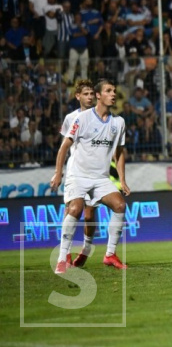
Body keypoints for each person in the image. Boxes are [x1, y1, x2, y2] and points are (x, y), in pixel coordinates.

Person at [50, 79, 130, 274]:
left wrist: (122, 180)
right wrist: (58, 173)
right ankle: (62, 258)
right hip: (78, 175)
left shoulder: (118, 122)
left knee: (119, 205)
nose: (113, 94)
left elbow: (119, 152)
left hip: (100, 178)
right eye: (109, 91)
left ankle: (109, 254)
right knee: (75, 209)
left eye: (114, 91)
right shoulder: (81, 118)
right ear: (99, 96)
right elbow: (64, 146)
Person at [56, 79, 99, 267]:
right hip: (75, 170)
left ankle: (86, 249)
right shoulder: (70, 118)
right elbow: (65, 146)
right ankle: (64, 254)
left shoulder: (102, 117)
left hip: (95, 171)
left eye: (92, 94)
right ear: (78, 96)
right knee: (71, 209)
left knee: (89, 215)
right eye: (86, 94)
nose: (89, 97)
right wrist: (59, 172)